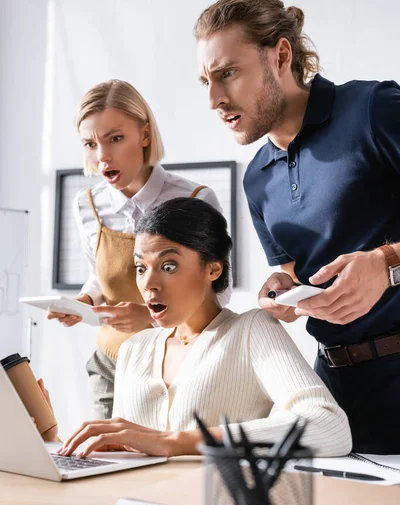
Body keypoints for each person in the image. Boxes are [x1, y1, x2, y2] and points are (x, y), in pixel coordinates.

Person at [194, 0, 400, 454]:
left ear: (281, 56)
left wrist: (387, 264)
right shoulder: (256, 180)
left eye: (228, 73)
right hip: (332, 393)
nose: (214, 99)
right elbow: (297, 278)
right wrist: (284, 293)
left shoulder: (374, 109)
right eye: (206, 81)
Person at [55, 198, 351, 459]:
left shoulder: (250, 331)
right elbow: (123, 450)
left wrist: (175, 442)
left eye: (168, 266)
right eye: (140, 268)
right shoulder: (134, 347)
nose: (148, 283)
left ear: (213, 268)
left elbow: (330, 427)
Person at [48, 79, 229, 420]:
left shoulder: (194, 200)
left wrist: (149, 317)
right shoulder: (87, 204)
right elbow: (100, 278)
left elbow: (220, 294)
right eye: (90, 143)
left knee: (167, 468)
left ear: (144, 135)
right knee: (103, 464)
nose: (102, 157)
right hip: (110, 363)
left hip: (176, 365)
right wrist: (84, 303)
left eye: (115, 139)